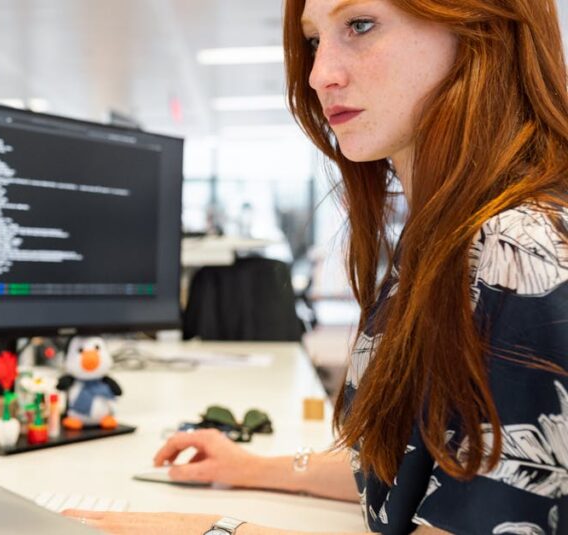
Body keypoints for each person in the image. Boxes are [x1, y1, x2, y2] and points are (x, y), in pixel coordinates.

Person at [64, 0, 568, 533]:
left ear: (481, 28)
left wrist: (213, 530)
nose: (318, 74)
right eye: (313, 41)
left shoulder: (519, 248)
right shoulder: (443, 239)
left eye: (361, 24)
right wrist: (250, 467)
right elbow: (417, 467)